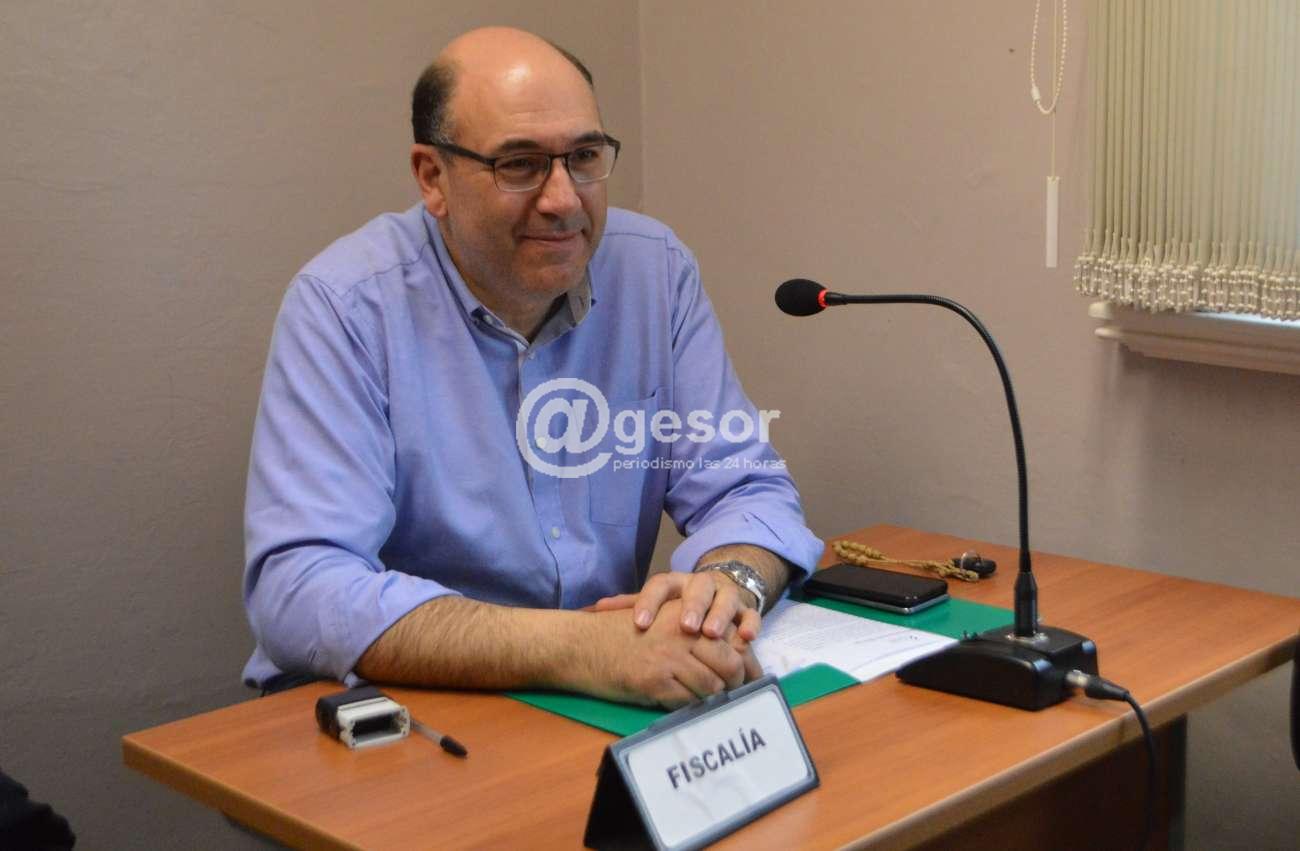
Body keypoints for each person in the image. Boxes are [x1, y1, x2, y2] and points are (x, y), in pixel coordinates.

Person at [241, 27, 822, 708]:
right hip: (409, 712)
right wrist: (586, 647)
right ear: (432, 177)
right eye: (519, 165)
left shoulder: (654, 271)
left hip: (599, 700)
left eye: (584, 157)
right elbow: (300, 590)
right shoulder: (345, 305)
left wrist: (726, 588)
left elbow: (746, 489)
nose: (563, 199)